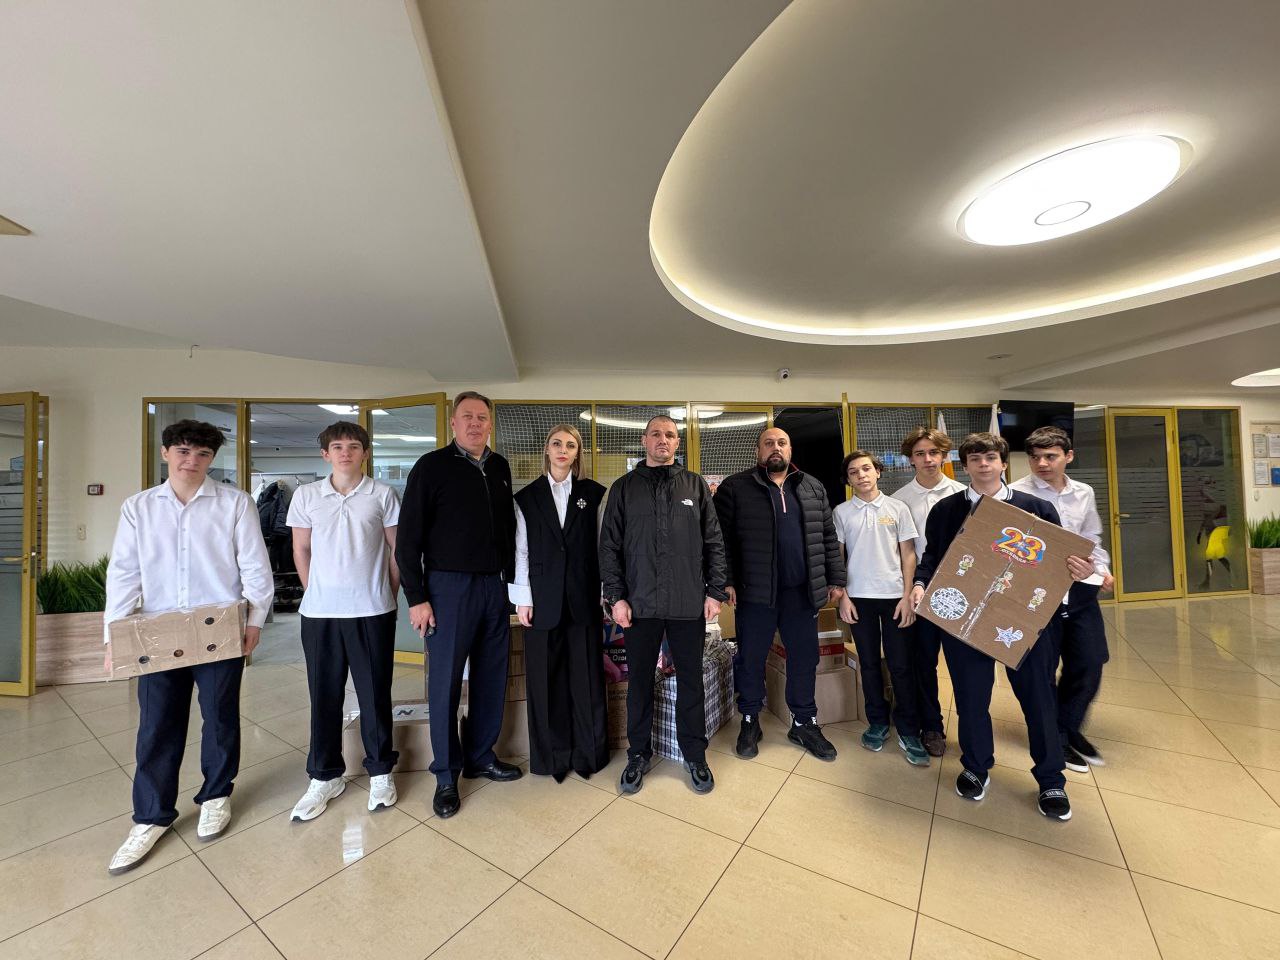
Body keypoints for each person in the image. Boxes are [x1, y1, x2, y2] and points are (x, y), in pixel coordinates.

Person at [103, 420, 273, 874]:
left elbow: (255, 566)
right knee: (157, 724)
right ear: (165, 453)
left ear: (212, 459)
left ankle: (216, 795)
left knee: (219, 716)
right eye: (182, 451)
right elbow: (123, 573)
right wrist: (113, 635)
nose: (191, 461)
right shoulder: (139, 508)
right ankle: (151, 816)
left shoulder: (234, 503)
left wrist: (255, 620)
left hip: (219, 628)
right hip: (157, 631)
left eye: (201, 454)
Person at [909, 432, 1094, 821]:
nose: (983, 464)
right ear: (964, 466)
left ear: (1003, 463)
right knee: (971, 699)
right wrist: (921, 584)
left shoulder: (1036, 508)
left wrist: (1079, 569)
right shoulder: (946, 510)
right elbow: (932, 558)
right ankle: (976, 767)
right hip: (965, 621)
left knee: (1039, 700)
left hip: (1025, 622)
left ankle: (1051, 779)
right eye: (974, 459)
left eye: (990, 457)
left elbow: (1058, 562)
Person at [395, 391, 520, 820]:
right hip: (447, 589)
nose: (474, 423)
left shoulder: (500, 467)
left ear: (490, 424)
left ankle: (481, 756)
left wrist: (513, 587)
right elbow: (407, 540)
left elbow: (508, 531)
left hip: (494, 588)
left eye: (482, 417)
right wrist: (417, 598)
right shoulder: (431, 467)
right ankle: (446, 775)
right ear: (453, 423)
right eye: (467, 416)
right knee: (445, 683)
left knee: (491, 675)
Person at [599, 414, 729, 795]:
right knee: (640, 682)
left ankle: (695, 754)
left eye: (670, 435)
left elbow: (714, 541)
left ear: (677, 443)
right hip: (638, 605)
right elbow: (609, 548)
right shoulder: (624, 488)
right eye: (655, 433)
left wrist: (715, 592)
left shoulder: (695, 486)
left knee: (690, 681)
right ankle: (638, 754)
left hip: (688, 603)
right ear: (644, 440)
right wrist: (616, 598)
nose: (663, 440)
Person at [286, 421, 402, 821]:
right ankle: (325, 775)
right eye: (337, 447)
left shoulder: (382, 494)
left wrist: (388, 593)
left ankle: (381, 771)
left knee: (374, 694)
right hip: (320, 614)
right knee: (324, 696)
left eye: (354, 446)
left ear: (365, 453)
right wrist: (314, 591)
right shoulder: (306, 495)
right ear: (326, 454)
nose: (346, 453)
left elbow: (397, 550)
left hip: (372, 610)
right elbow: (300, 549)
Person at [713, 427, 846, 761]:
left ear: (790, 450)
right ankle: (749, 720)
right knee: (751, 658)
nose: (776, 448)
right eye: (769, 443)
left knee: (804, 658)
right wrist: (726, 580)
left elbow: (828, 537)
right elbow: (721, 540)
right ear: (758, 451)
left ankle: (803, 722)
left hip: (802, 593)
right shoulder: (735, 487)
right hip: (754, 593)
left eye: (782, 443)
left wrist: (836, 579)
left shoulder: (812, 487)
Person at [1010, 426, 1114, 772]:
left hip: (1080, 591)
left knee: (1090, 660)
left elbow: (1091, 536)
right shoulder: (1016, 494)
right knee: (1039, 670)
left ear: (1068, 456)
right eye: (1035, 457)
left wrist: (1101, 569)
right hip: (1035, 595)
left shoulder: (1084, 492)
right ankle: (1054, 736)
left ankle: (1067, 728)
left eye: (1050, 456)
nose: (1042, 463)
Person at [509, 423, 609, 781]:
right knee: (545, 680)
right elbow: (521, 550)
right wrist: (523, 598)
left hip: (584, 596)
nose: (563, 450)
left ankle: (589, 754)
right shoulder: (527, 497)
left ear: (577, 452)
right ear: (547, 450)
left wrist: (605, 593)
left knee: (586, 679)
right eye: (557, 444)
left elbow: (602, 547)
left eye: (570, 445)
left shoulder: (593, 494)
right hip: (542, 599)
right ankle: (552, 758)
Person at [834, 451, 929, 766]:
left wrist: (907, 595)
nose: (861, 475)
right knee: (870, 663)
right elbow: (838, 557)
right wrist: (843, 597)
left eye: (866, 469)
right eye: (853, 472)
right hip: (858, 598)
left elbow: (909, 555)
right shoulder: (842, 512)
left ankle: (908, 729)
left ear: (877, 472)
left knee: (901, 665)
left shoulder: (897, 508)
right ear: (848, 479)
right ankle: (877, 721)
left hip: (894, 598)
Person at [890, 427, 965, 758]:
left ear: (944, 456)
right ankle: (931, 726)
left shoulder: (964, 495)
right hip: (918, 591)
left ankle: (972, 726)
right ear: (910, 460)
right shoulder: (899, 500)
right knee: (923, 663)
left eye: (934, 452)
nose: (928, 459)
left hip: (960, 592)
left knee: (964, 665)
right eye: (920, 454)